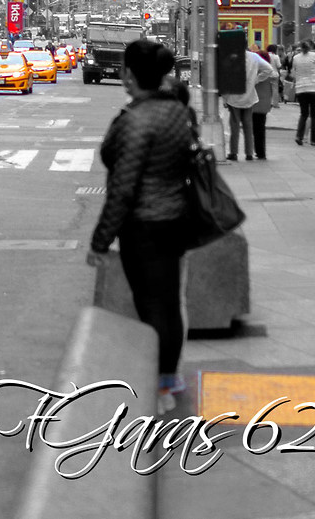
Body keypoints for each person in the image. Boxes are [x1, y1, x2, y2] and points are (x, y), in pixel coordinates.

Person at [89, 38, 196, 413]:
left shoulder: (136, 119)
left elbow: (122, 189)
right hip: (175, 220)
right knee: (168, 304)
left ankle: (160, 388)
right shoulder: (177, 112)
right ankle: (169, 379)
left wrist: (100, 241)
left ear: (130, 75)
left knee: (151, 307)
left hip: (145, 227)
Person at [290, 44, 315, 145]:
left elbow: (293, 73)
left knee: (303, 114)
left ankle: (299, 136)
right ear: (309, 48)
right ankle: (313, 140)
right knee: (314, 114)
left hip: (300, 88)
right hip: (313, 87)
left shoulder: (295, 58)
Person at [249, 46, 279, 156]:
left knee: (255, 128)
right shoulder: (268, 74)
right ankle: (261, 151)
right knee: (260, 127)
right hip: (265, 103)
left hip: (255, 102)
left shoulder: (257, 73)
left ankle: (258, 150)